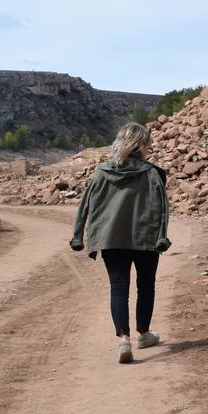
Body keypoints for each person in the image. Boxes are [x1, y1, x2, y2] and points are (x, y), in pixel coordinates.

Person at [70, 123, 172, 363]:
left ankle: (124, 340)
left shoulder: (102, 171)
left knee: (118, 288)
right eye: (148, 143)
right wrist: (162, 236)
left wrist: (78, 235)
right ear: (140, 145)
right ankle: (144, 334)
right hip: (145, 237)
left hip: (110, 237)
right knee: (146, 285)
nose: (151, 147)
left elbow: (85, 204)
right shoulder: (152, 173)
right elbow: (163, 209)